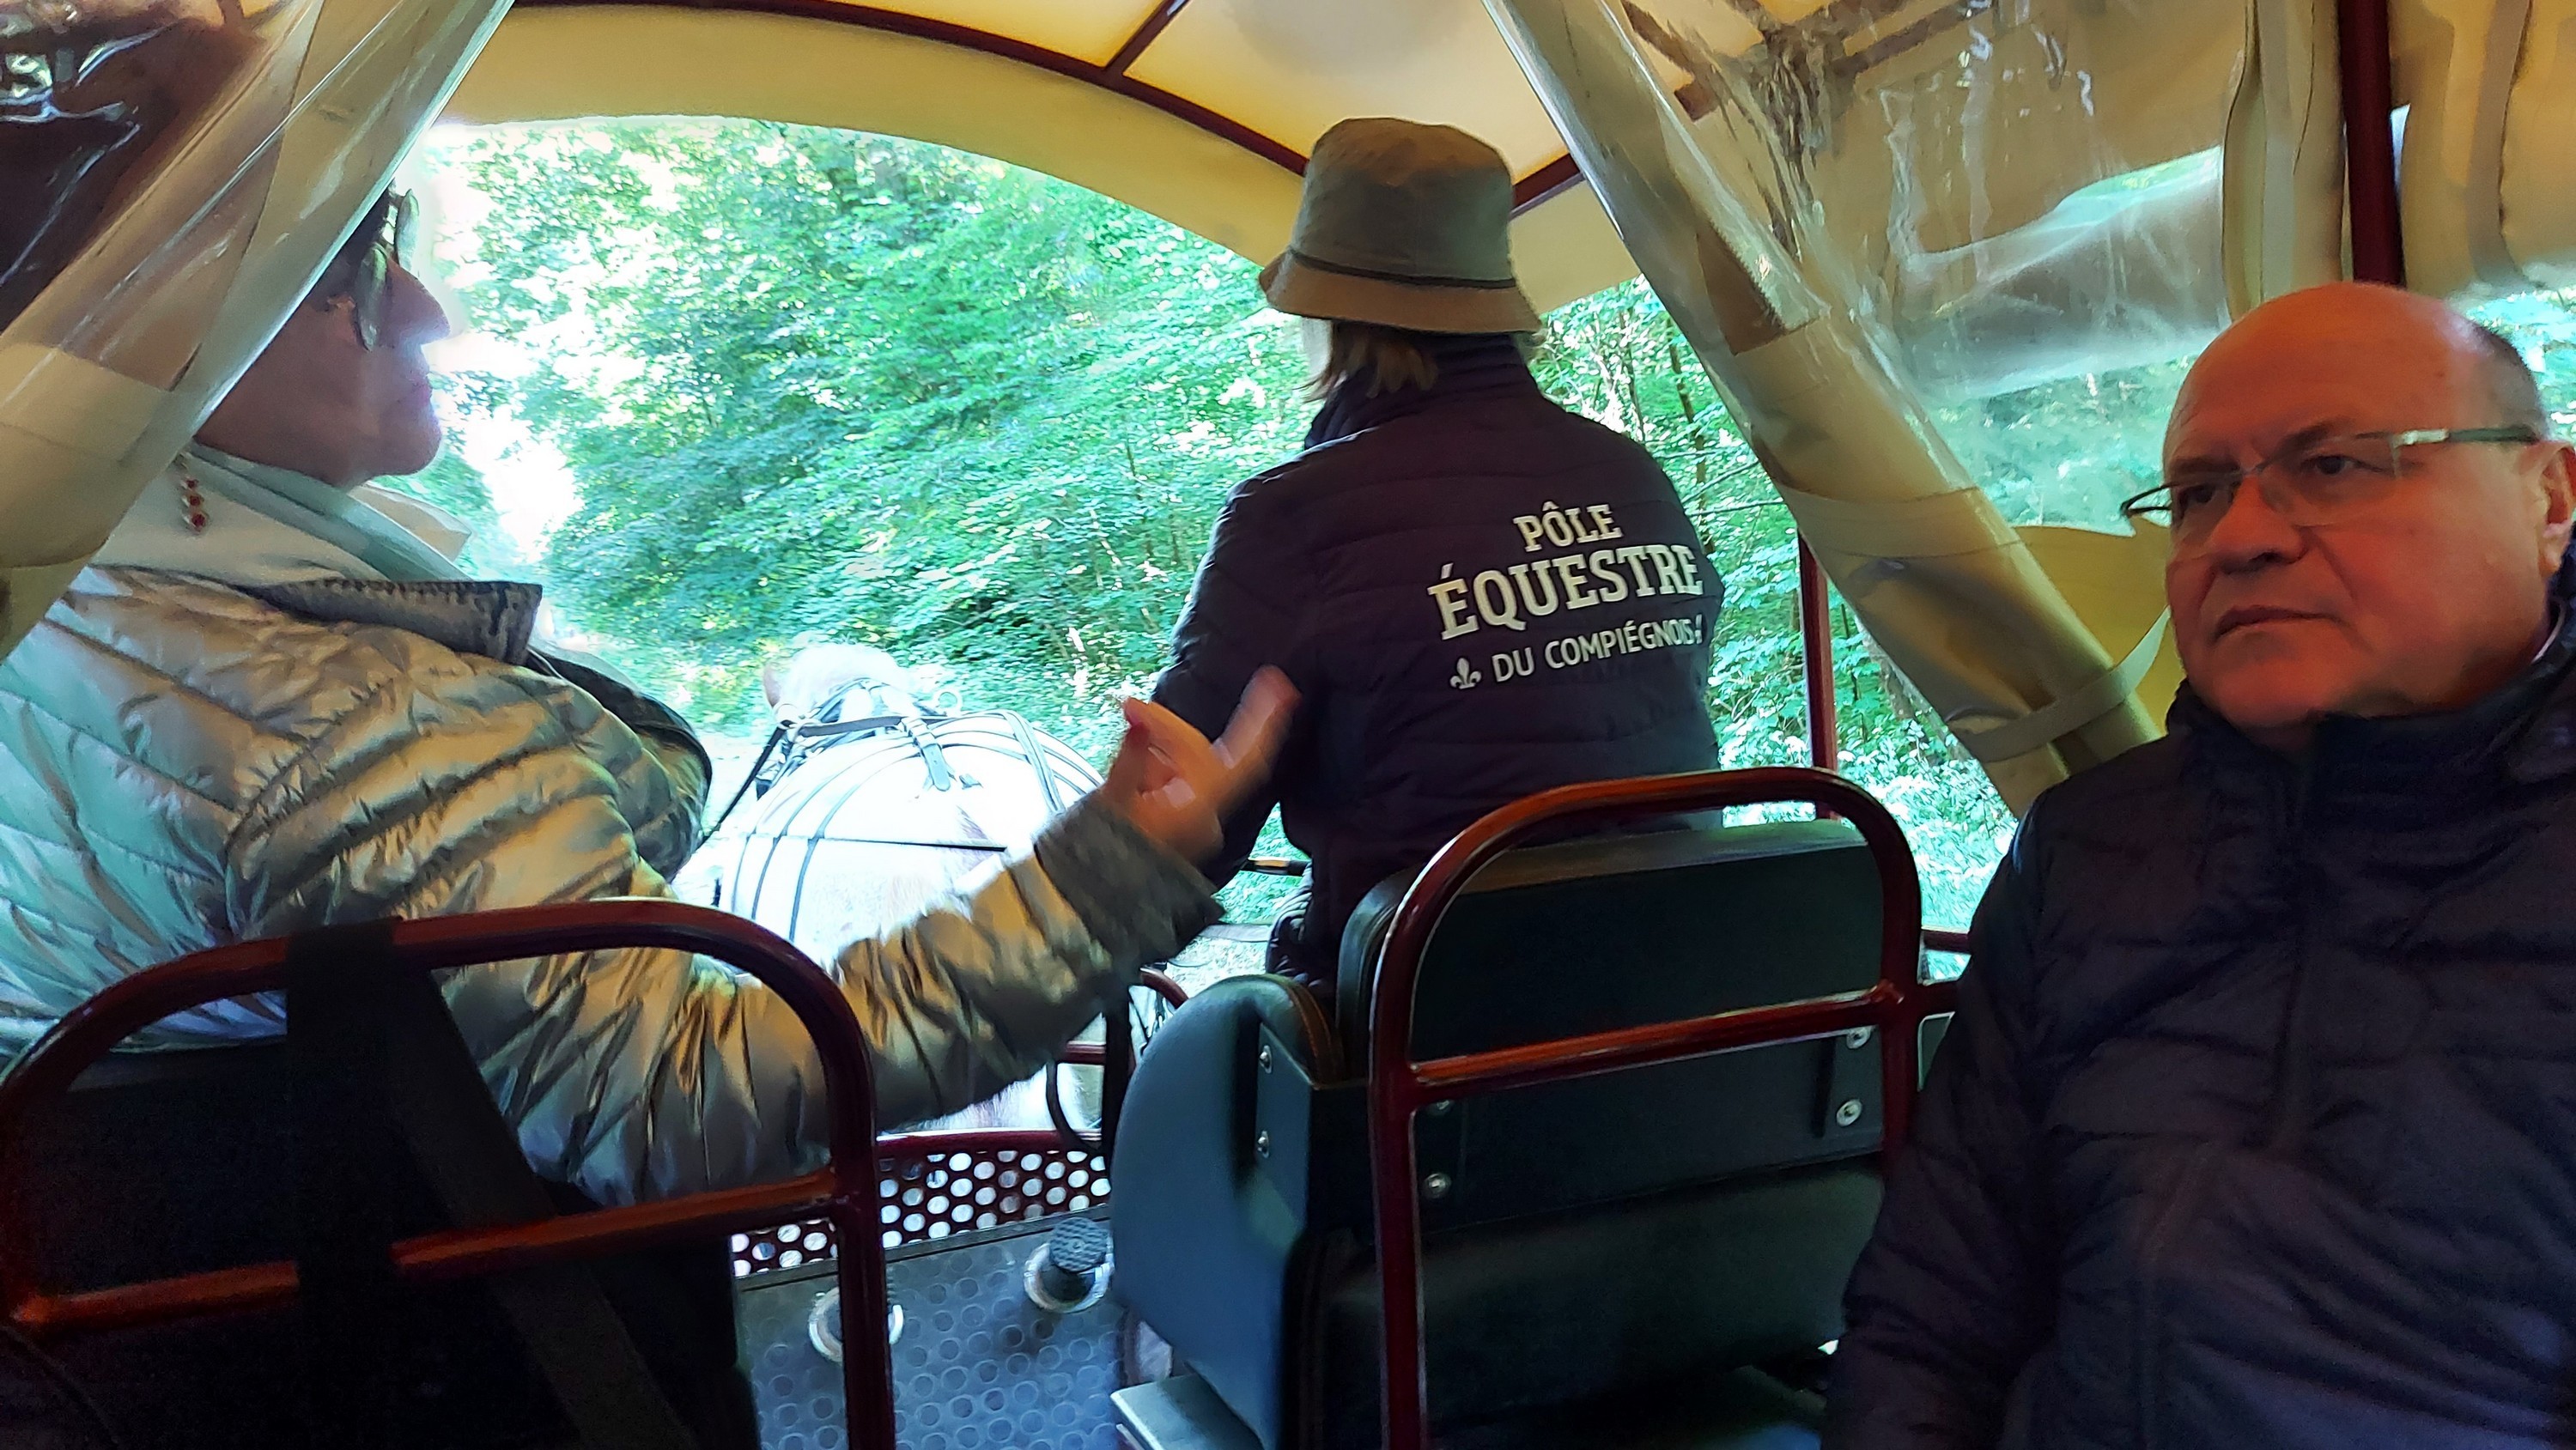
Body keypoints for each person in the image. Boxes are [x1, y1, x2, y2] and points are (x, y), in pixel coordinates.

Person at [0, 191, 1297, 1208]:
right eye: (344, 270)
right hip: (440, 1325)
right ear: (152, 346)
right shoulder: (344, 720)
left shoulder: (74, 594)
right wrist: (1108, 879)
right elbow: (683, 1096)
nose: (428, 306)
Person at [1828, 282, 2576, 1447]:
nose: (2240, 536)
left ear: (2548, 497)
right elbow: (1931, 1318)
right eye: (2196, 494)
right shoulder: (2089, 851)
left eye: (2332, 466)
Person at [1152, 118, 1721, 986]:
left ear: (1331, 321)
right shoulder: (1633, 476)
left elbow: (1179, 840)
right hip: (1684, 987)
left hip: (1430, 1028)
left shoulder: (1294, 518)